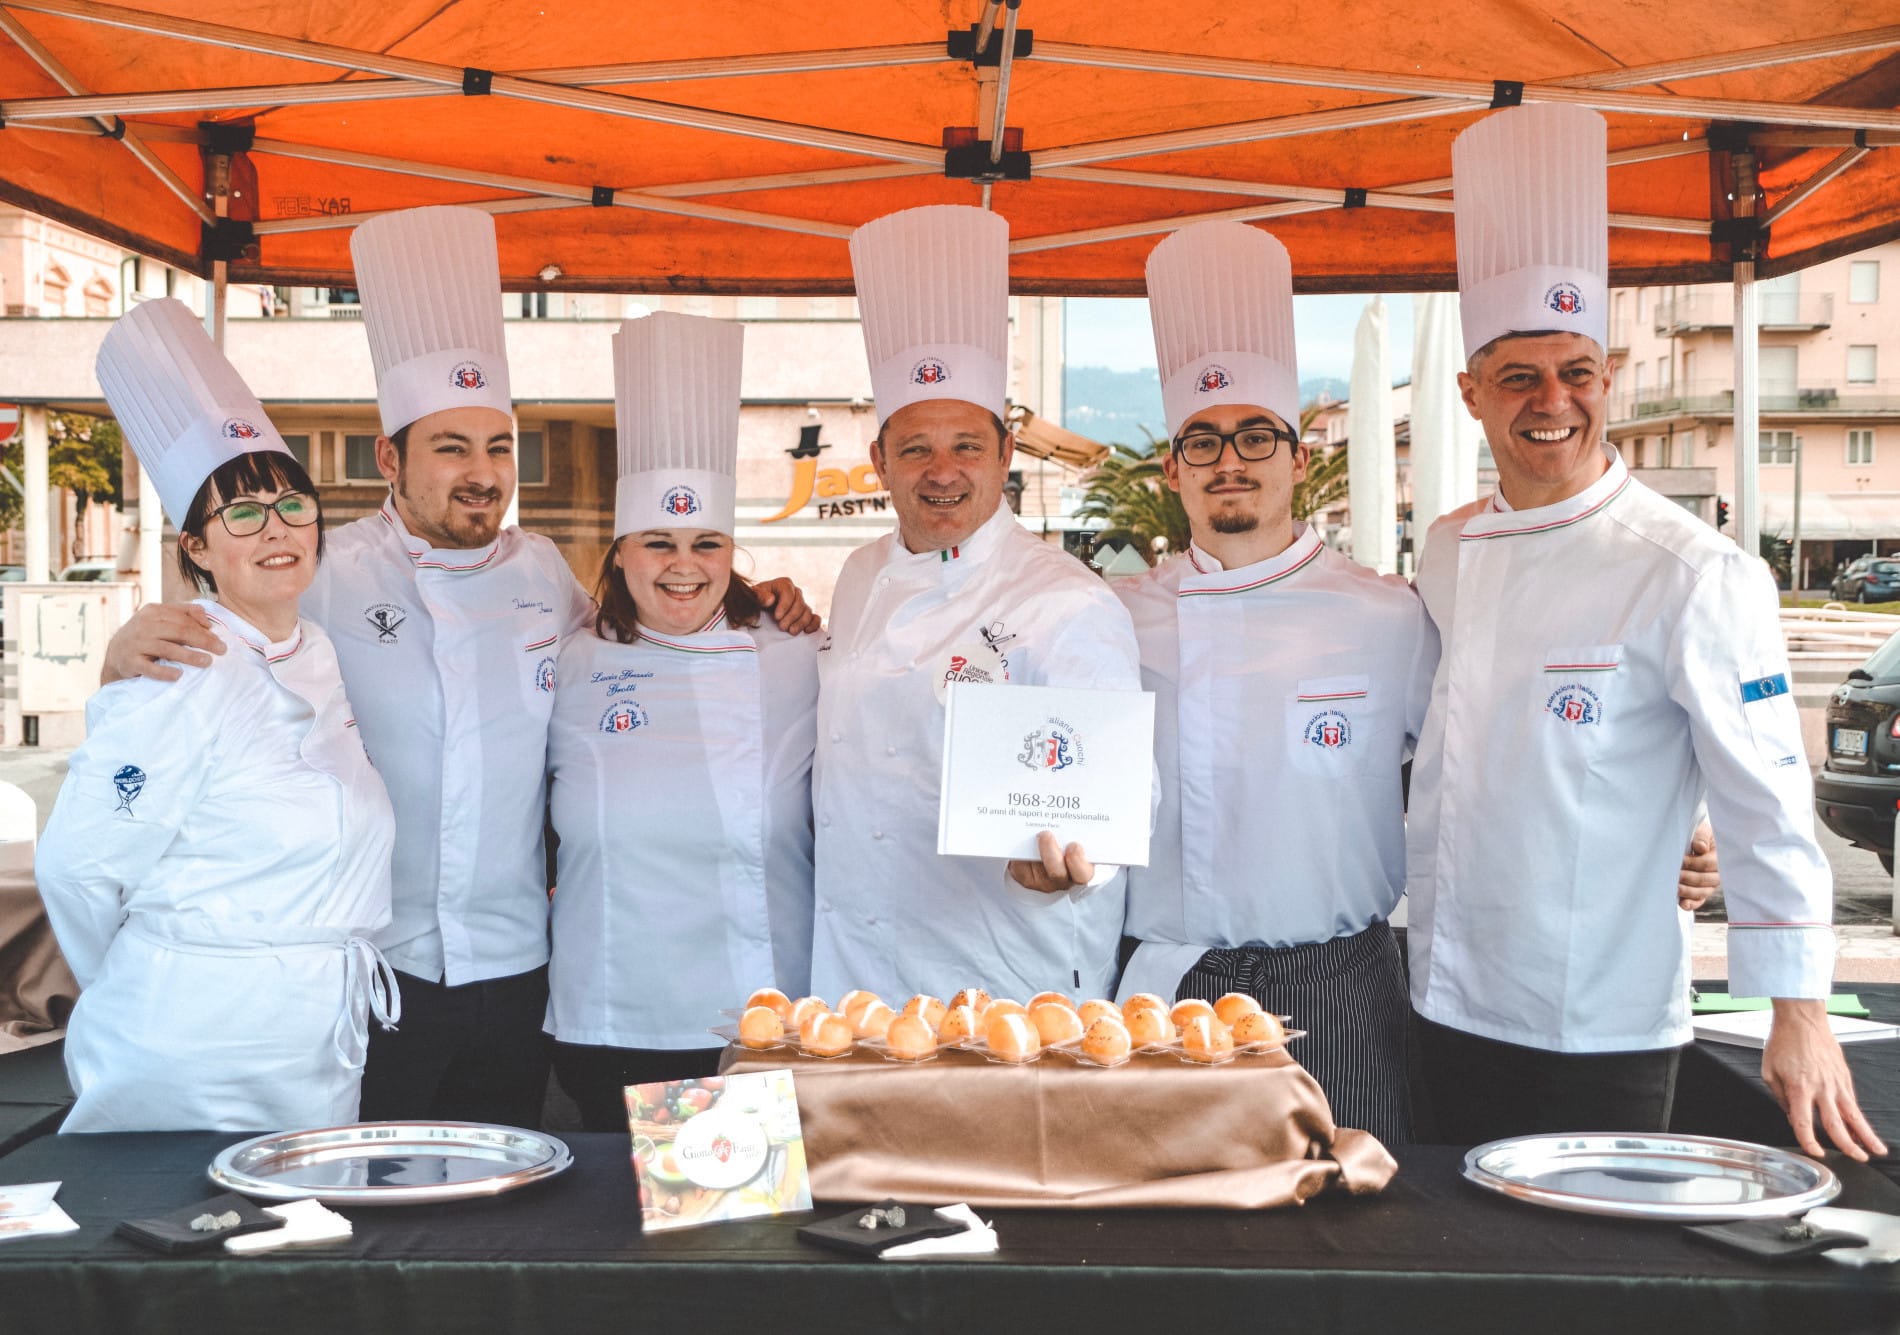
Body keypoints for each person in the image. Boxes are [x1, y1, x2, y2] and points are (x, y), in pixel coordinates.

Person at [101, 208, 817, 1127]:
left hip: (518, 973)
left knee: (503, 1209)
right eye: (451, 448)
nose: (482, 473)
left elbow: (662, 622)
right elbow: (220, 639)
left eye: (498, 447)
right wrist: (123, 653)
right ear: (390, 457)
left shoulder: (544, 573)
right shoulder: (323, 571)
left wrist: (760, 599)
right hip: (373, 967)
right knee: (371, 1212)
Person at [1406, 102, 1883, 1159]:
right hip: (1439, 993)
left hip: (1599, 1016)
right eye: (1519, 376)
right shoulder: (1445, 550)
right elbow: (1446, 751)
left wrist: (1797, 1011)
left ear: (1608, 380)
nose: (1552, 401)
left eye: (1576, 371)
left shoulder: (1690, 570)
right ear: (1470, 392)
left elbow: (1765, 798)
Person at [39, 297, 397, 1132]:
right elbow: (78, 867)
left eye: (292, 504)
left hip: (313, 1040)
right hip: (188, 1042)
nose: (275, 528)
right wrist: (155, 965)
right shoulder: (178, 666)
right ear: (196, 547)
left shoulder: (315, 649)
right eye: (241, 512)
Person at [1112, 221, 1433, 1143]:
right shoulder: (1111, 616)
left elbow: (1485, 757)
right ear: (1172, 469)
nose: (1231, 461)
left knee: (1356, 1244)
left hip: (1337, 984)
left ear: (1300, 457)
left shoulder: (1388, 616)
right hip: (1165, 988)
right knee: (1175, 1255)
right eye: (1202, 442)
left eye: (1256, 436)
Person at [809, 204, 1144, 1004]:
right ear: (879, 462)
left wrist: (1076, 860)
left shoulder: (1067, 600)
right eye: (916, 447)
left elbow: (1114, 795)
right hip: (856, 968)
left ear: (1004, 457)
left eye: (967, 445)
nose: (942, 469)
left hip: (1004, 977)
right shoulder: (858, 575)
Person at [545, 312, 817, 1129]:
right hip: (609, 1016)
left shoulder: (799, 655)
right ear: (620, 550)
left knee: (731, 1242)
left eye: (707, 542)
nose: (683, 565)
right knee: (621, 1242)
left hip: (755, 1020)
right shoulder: (565, 662)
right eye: (657, 541)